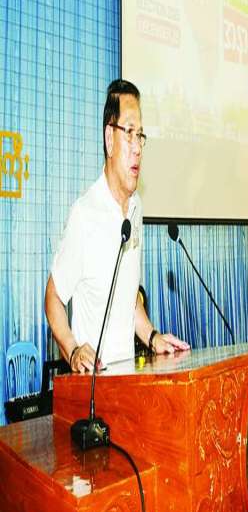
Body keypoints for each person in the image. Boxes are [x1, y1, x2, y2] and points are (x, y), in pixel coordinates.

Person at [45, 79, 189, 372]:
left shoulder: (136, 208)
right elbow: (53, 297)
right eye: (130, 133)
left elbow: (128, 295)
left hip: (127, 382)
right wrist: (73, 350)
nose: (138, 148)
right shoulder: (85, 214)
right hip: (93, 386)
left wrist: (152, 336)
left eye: (141, 136)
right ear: (110, 138)